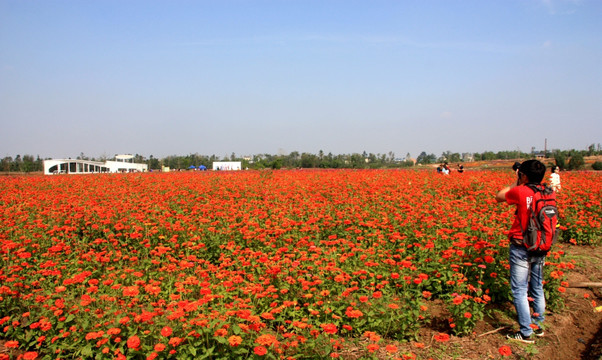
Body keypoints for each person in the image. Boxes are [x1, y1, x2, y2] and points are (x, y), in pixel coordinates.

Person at [495, 160, 550, 343]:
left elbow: (499, 196)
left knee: (519, 289)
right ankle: (538, 326)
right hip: (541, 245)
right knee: (537, 287)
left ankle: (526, 332)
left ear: (523, 175)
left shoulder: (520, 191)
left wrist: (517, 181)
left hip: (521, 245)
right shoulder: (548, 191)